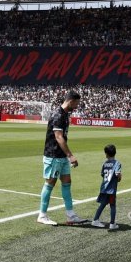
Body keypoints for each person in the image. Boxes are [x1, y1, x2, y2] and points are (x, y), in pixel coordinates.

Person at [37, 91, 87, 226]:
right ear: (71, 101)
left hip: (61, 156)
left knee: (67, 183)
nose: (77, 106)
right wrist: (70, 156)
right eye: (76, 103)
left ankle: (71, 215)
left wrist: (66, 155)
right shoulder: (58, 115)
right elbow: (59, 137)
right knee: (50, 184)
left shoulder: (65, 115)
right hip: (53, 155)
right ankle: (42, 215)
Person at [91, 144, 122, 230]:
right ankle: (112, 223)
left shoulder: (104, 163)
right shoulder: (117, 163)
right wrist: (119, 178)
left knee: (103, 204)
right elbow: (117, 174)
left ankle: (95, 220)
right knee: (112, 205)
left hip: (104, 188)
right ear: (115, 153)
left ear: (106, 154)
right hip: (111, 189)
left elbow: (102, 174)